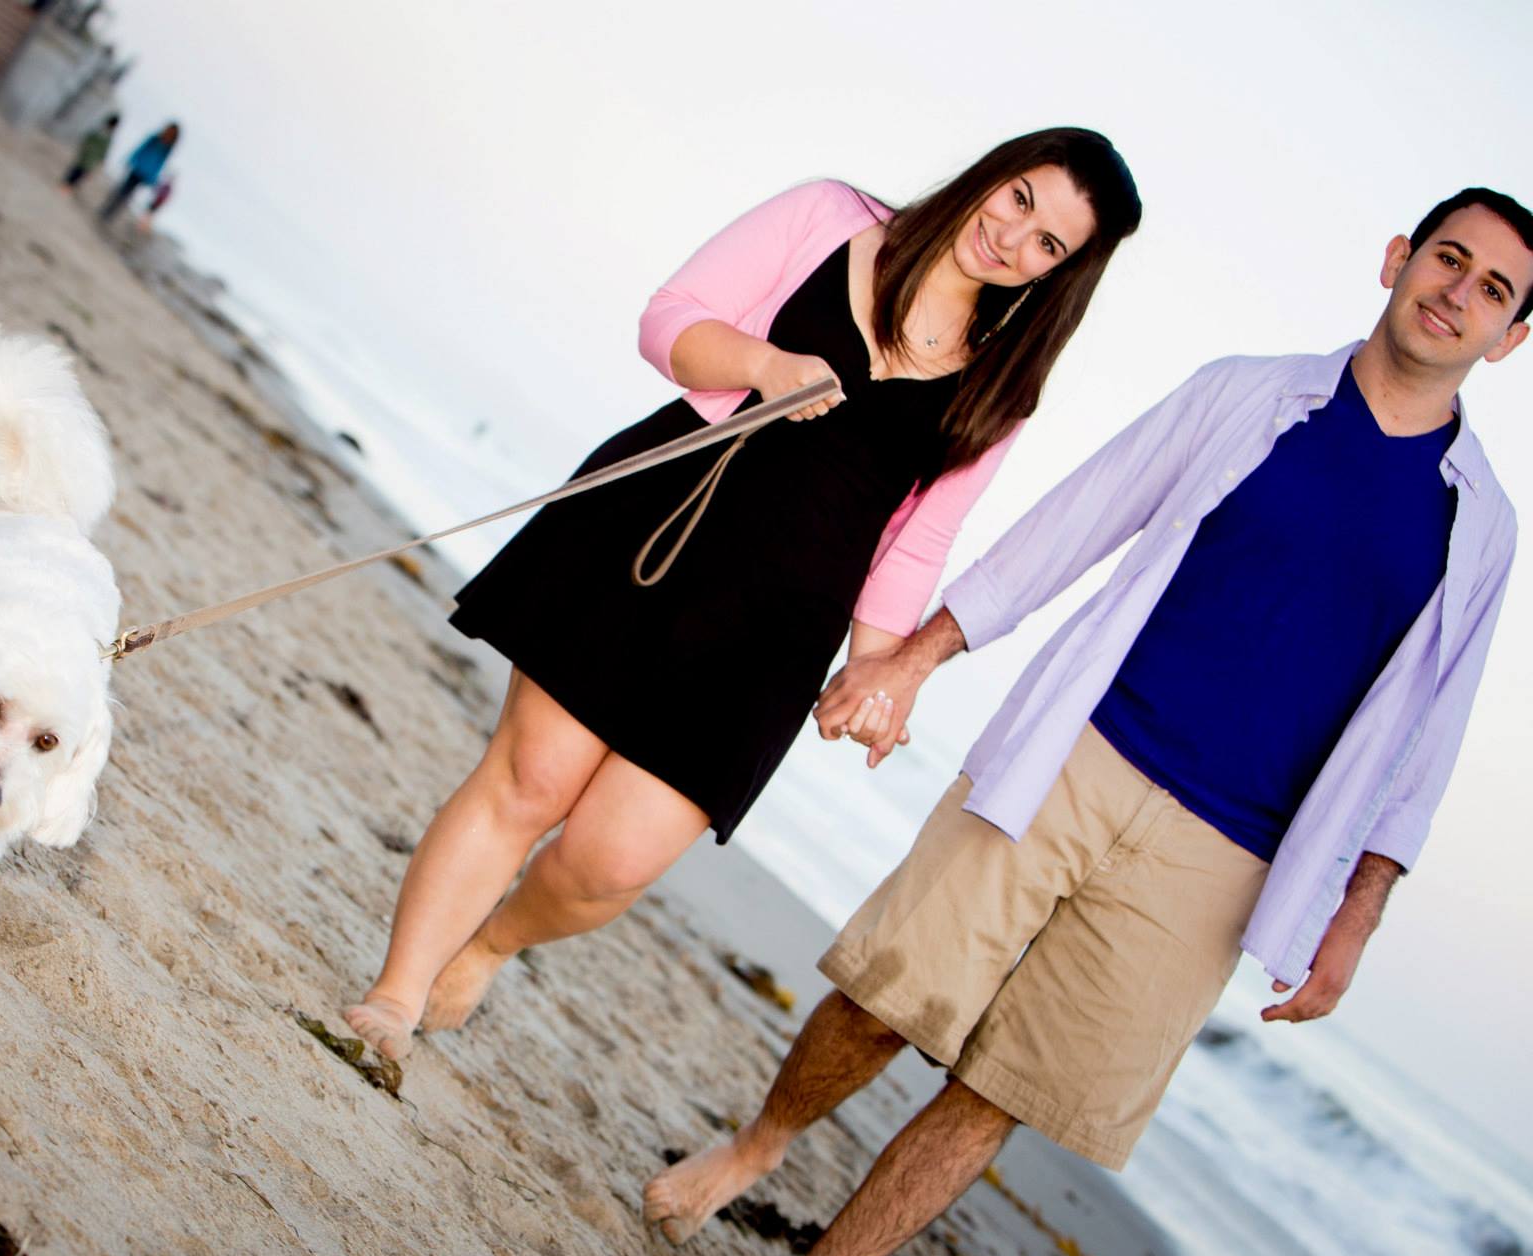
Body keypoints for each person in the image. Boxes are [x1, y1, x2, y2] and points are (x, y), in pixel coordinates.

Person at [644, 187, 1530, 1256]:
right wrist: (913, 655)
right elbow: (1080, 518)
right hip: (1081, 749)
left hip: (1224, 857)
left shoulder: (1477, 525)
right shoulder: (1246, 395)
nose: (1454, 293)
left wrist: (1352, 911)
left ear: (1509, 337)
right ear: (1394, 259)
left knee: (1005, 1087)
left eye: (1491, 290)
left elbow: (1430, 726)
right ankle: (754, 1146)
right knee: (888, 988)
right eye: (1446, 259)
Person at [342, 129, 1144, 1062]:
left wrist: (880, 675)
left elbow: (915, 541)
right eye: (1019, 200)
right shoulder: (831, 218)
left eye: (1048, 244)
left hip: (772, 634)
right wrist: (764, 365)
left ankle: (489, 941)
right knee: (529, 781)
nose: (1013, 240)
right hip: (657, 534)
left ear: (1061, 275)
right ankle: (394, 1001)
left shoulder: (1003, 390)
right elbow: (670, 318)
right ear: (990, 177)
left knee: (611, 862)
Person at [99, 121, 179, 222]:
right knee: (122, 190)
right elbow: (141, 148)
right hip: (137, 168)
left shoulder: (167, 149)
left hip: (145, 175)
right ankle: (106, 209)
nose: (170, 133)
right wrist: (131, 159)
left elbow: (160, 164)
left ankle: (110, 214)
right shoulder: (155, 139)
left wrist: (153, 178)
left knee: (127, 194)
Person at [61, 113, 119, 195]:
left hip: (90, 158)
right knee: (76, 170)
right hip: (87, 155)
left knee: (80, 172)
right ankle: (66, 185)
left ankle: (68, 186)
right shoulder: (101, 133)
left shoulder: (105, 136)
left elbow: (103, 151)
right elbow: (89, 141)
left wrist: (100, 160)